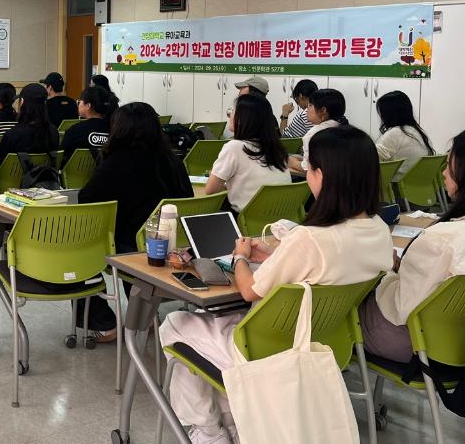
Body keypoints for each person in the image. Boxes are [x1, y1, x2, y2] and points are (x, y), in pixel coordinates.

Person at [160, 126, 393, 443]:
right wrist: (276, 254)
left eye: (310, 168)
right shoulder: (378, 230)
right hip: (326, 343)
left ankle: (208, 431)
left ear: (323, 176)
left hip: (267, 349)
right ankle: (235, 424)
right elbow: (324, 267)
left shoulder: (309, 238)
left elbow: (249, 290)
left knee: (176, 324)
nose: (307, 173)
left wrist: (241, 257)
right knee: (215, 328)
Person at [78, 102, 193, 340]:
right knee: (135, 230)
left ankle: (103, 323)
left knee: (80, 248)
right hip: (176, 250)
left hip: (136, 251)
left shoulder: (116, 162)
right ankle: (144, 316)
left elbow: (87, 199)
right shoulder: (173, 161)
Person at [361, 130, 465, 363]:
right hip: (455, 340)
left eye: (450, 165)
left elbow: (403, 308)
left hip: (415, 342)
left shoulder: (441, 238)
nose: (444, 172)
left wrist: (390, 271)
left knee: (343, 310)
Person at [205, 93, 291, 213]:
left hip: (247, 219)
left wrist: (227, 186)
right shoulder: (276, 148)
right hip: (279, 216)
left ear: (242, 119)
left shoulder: (234, 147)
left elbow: (210, 190)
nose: (230, 116)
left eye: (232, 112)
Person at [374, 90, 434, 178]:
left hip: (395, 184)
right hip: (416, 184)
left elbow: (370, 159)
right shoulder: (418, 131)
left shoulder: (395, 133)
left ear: (389, 114)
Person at [288, 88, 348, 172]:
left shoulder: (314, 134)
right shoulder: (344, 128)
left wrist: (292, 162)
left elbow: (307, 168)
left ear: (323, 110)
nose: (306, 110)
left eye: (310, 105)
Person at [0, 84, 59, 163]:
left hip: (15, 171)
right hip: (46, 171)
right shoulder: (53, 132)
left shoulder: (12, 135)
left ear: (22, 103)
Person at [60, 85, 118, 166]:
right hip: (108, 172)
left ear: (88, 105)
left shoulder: (74, 131)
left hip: (77, 174)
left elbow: (61, 159)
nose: (78, 103)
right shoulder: (115, 130)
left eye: (80, 101)